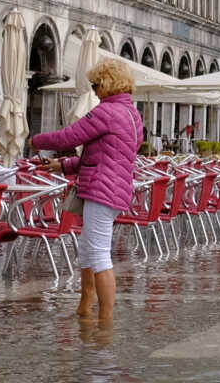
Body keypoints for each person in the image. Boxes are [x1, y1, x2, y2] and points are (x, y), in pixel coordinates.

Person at [29, 56, 146, 321]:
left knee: (99, 254)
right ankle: (85, 305)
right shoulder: (133, 115)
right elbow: (104, 155)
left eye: (95, 85)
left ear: (106, 84)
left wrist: (35, 138)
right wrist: (64, 166)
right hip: (115, 187)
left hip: (102, 190)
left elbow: (68, 136)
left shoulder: (106, 111)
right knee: (87, 249)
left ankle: (105, 320)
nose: (93, 91)